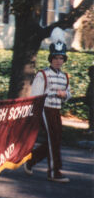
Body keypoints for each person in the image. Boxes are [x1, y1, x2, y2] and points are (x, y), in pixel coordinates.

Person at [24, 28, 71, 183]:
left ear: (64, 60)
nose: (58, 61)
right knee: (53, 138)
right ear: (51, 59)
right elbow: (36, 96)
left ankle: (31, 161)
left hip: (56, 109)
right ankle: (54, 171)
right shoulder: (42, 74)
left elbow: (67, 95)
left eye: (61, 58)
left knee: (56, 139)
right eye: (55, 58)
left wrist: (64, 95)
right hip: (45, 109)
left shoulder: (64, 77)